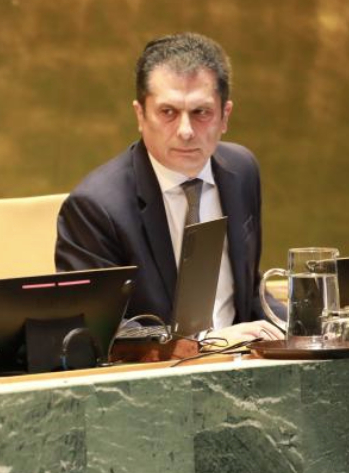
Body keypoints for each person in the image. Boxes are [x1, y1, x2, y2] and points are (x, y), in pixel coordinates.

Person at [55, 32, 281, 342]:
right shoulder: (96, 207)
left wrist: (311, 326)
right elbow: (94, 330)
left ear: (224, 116)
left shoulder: (241, 171)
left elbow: (244, 291)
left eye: (201, 113)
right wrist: (206, 345)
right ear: (140, 114)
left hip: (244, 370)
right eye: (168, 113)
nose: (186, 131)